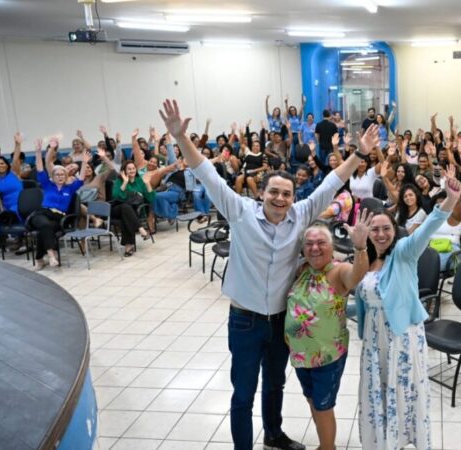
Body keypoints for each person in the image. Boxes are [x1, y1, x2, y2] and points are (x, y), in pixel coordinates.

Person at [160, 98, 381, 450]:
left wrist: (359, 154)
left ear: (294, 197)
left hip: (281, 320)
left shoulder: (302, 214)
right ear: (262, 193)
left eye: (287, 194)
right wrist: (180, 139)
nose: (280, 198)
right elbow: (206, 173)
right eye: (274, 192)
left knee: (275, 383)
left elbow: (331, 183)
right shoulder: (241, 211)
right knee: (243, 393)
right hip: (245, 320)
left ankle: (274, 435)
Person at [355, 166, 461, 450]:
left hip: (402, 338)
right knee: (377, 394)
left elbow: (428, 227)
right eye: (374, 229)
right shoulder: (363, 259)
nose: (380, 234)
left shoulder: (404, 252)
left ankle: (403, 441)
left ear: (395, 230)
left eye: (386, 229)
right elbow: (359, 300)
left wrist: (450, 200)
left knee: (402, 393)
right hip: (374, 342)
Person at [285, 211, 371, 450]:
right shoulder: (302, 269)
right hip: (302, 356)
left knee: (323, 406)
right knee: (312, 400)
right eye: (309, 243)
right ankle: (325, 442)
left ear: (332, 247)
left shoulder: (338, 271)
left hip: (327, 357)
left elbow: (356, 277)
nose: (315, 248)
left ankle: (328, 447)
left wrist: (360, 247)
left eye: (321, 243)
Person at [30, 140, 89, 268]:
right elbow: (40, 169)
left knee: (44, 231)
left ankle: (39, 258)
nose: (60, 176)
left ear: (66, 176)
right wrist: (38, 152)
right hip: (43, 213)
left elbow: (81, 179)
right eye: (57, 174)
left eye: (63, 174)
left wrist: (84, 162)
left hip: (59, 217)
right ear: (53, 176)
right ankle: (51, 255)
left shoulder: (70, 188)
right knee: (45, 225)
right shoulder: (48, 185)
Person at [112, 160, 154, 256]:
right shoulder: (119, 181)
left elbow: (151, 198)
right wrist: (125, 183)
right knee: (125, 207)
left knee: (126, 217)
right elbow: (116, 196)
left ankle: (129, 246)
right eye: (129, 169)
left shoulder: (139, 181)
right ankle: (140, 228)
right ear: (124, 171)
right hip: (116, 209)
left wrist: (147, 184)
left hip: (134, 211)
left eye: (133, 168)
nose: (132, 170)